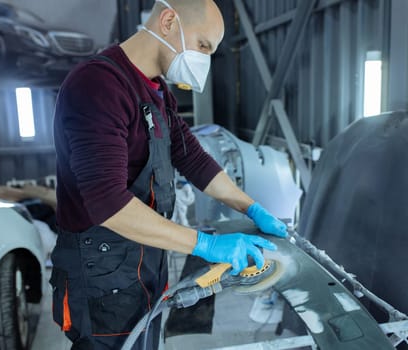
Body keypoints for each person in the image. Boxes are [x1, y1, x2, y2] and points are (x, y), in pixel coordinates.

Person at [51, 0, 287, 349]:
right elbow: (108, 203)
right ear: (167, 21)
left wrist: (250, 207)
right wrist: (206, 244)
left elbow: (193, 159)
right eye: (203, 46)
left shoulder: (156, 91)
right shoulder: (98, 86)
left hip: (143, 261)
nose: (204, 61)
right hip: (100, 275)